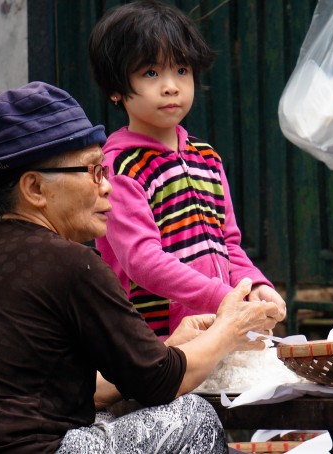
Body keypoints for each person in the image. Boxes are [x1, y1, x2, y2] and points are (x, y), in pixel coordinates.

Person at [0, 81, 280, 453]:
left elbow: (78, 387)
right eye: (95, 171)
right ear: (34, 189)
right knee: (192, 416)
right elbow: (160, 383)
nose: (108, 187)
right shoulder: (72, 263)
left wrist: (168, 348)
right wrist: (229, 327)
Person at [87, 0, 286, 337]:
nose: (171, 86)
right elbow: (142, 261)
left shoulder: (206, 157)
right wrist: (224, 299)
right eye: (150, 72)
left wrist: (254, 286)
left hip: (217, 330)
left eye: (181, 70)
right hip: (154, 343)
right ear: (116, 90)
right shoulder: (119, 166)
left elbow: (229, 245)